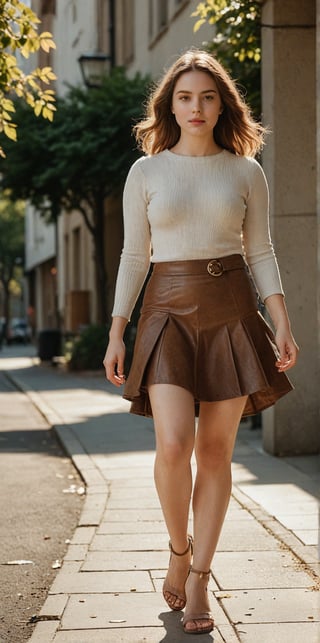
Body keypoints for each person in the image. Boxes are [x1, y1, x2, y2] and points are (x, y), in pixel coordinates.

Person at [103, 49, 298, 635]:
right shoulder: (147, 172)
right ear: (170, 105)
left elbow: (260, 250)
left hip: (232, 311)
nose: (196, 107)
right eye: (185, 97)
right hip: (165, 313)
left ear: (222, 105)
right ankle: (178, 549)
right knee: (171, 446)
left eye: (208, 97)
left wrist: (281, 319)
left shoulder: (245, 171)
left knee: (215, 454)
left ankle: (199, 582)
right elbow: (135, 255)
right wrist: (116, 328)